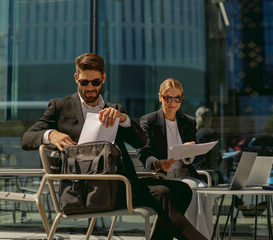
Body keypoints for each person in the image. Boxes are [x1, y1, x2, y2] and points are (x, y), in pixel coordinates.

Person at [20, 53, 207, 240]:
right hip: (87, 191)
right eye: (84, 83)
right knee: (163, 193)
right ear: (76, 78)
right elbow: (27, 138)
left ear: (103, 79)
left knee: (182, 190)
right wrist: (50, 134)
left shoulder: (114, 109)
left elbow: (141, 142)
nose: (90, 88)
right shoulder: (60, 107)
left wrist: (123, 119)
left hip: (122, 184)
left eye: (95, 82)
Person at [137, 78, 214, 239]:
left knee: (203, 190)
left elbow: (190, 160)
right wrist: (158, 164)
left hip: (183, 174)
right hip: (159, 176)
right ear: (160, 97)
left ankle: (204, 234)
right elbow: (145, 152)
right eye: (168, 98)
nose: (172, 102)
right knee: (191, 191)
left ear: (181, 99)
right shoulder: (149, 121)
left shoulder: (188, 122)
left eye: (177, 98)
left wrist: (187, 151)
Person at [193, 106, 224, 183]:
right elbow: (216, 158)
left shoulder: (193, 133)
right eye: (209, 119)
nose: (210, 122)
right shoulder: (209, 133)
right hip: (207, 174)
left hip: (195, 172)